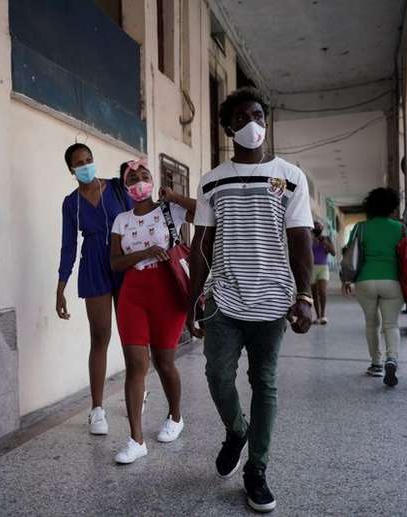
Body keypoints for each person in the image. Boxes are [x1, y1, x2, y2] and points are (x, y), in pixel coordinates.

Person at [186, 87, 314, 513]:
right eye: (241, 118)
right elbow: (200, 244)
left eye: (258, 115)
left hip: (273, 299)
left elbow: (300, 241)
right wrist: (193, 301)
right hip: (222, 297)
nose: (252, 125)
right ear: (228, 128)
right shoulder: (212, 179)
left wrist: (306, 295)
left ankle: (256, 469)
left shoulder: (291, 176)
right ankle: (236, 430)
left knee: (266, 383)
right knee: (218, 377)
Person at [109, 159, 196, 464]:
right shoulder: (121, 220)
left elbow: (203, 212)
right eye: (133, 177)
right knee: (135, 364)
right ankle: (136, 439)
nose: (139, 180)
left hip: (167, 289)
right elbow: (115, 263)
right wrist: (143, 253)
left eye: (144, 175)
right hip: (133, 292)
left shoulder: (169, 210)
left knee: (164, 362)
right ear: (126, 185)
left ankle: (175, 416)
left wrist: (172, 196)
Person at [57, 143, 132, 435]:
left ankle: (135, 393)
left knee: (131, 334)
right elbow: (68, 246)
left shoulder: (116, 188)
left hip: (122, 260)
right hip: (93, 267)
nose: (86, 165)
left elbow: (135, 220)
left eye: (89, 159)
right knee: (100, 335)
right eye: (79, 162)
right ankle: (97, 409)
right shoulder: (70, 203)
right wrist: (60, 285)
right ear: (71, 170)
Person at [342, 187, 406, 387]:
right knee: (391, 324)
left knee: (372, 323)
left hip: (365, 281)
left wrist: (346, 279)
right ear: (393, 207)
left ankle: (376, 364)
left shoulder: (361, 227)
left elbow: (350, 256)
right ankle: (392, 359)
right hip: (393, 281)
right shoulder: (400, 228)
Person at [311, 220, 336, 324]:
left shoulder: (327, 238)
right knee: (314, 294)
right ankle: (318, 317)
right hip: (312, 268)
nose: (318, 228)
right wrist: (312, 241)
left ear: (322, 228)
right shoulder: (310, 239)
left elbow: (333, 253)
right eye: (315, 226)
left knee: (322, 291)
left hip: (323, 268)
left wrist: (326, 244)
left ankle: (323, 315)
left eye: (319, 226)